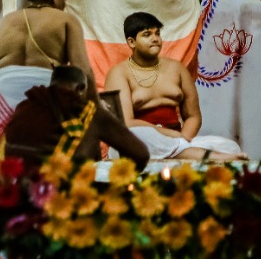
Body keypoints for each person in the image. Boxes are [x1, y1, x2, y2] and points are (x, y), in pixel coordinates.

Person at [0, 0, 96, 177]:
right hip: (42, 93)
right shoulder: (66, 20)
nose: (65, 3)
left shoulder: (5, 23)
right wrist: (95, 106)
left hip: (2, 95)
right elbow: (83, 70)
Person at [103, 12, 243, 161]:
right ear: (131, 42)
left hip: (177, 140)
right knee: (138, 136)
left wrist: (183, 138)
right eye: (147, 34)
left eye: (157, 33)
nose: (155, 39)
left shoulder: (177, 69)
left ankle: (183, 152)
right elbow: (127, 123)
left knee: (230, 146)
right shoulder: (118, 73)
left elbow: (193, 116)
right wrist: (168, 135)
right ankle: (205, 156)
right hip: (139, 141)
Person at [3, 65, 149, 171]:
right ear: (80, 89)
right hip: (66, 195)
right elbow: (141, 154)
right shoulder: (87, 110)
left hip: (20, 193)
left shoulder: (25, 107)